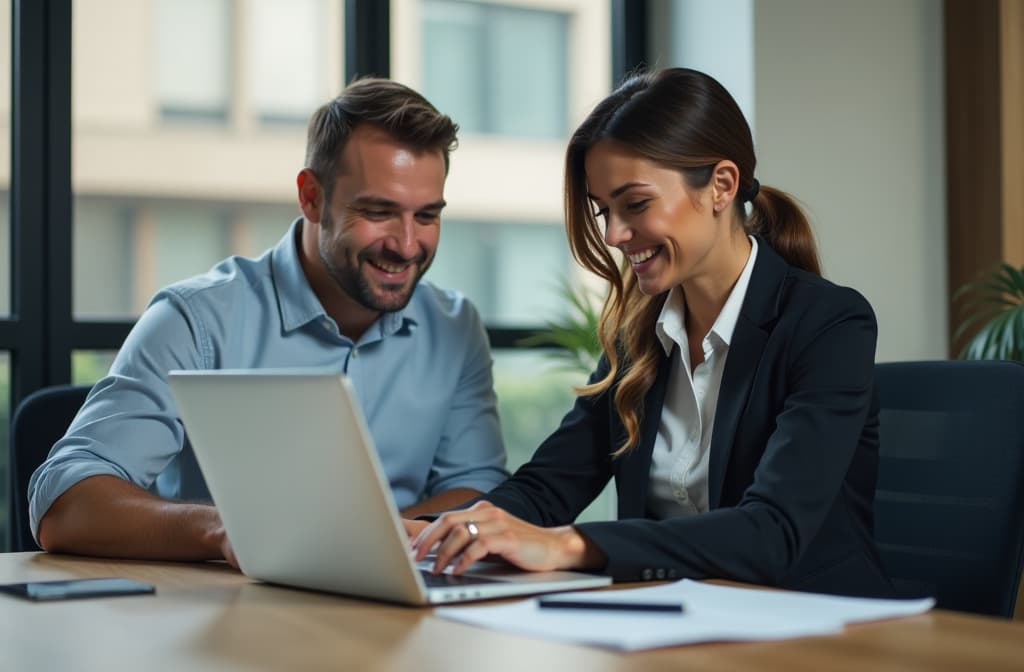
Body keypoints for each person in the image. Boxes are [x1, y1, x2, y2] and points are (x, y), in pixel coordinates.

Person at [411, 68, 894, 598]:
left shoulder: (828, 325)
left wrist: (566, 545)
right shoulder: (638, 335)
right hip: (678, 621)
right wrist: (432, 533)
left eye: (635, 204)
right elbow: (546, 488)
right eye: (605, 211)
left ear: (721, 186)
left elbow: (772, 533)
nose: (615, 235)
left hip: (816, 626)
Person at [30, 78, 508, 566]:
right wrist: (230, 530)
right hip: (226, 616)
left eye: (426, 216)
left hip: (399, 613)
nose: (407, 245)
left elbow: (480, 489)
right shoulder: (197, 319)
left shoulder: (455, 327)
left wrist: (367, 543)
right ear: (311, 197)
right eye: (379, 211)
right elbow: (64, 504)